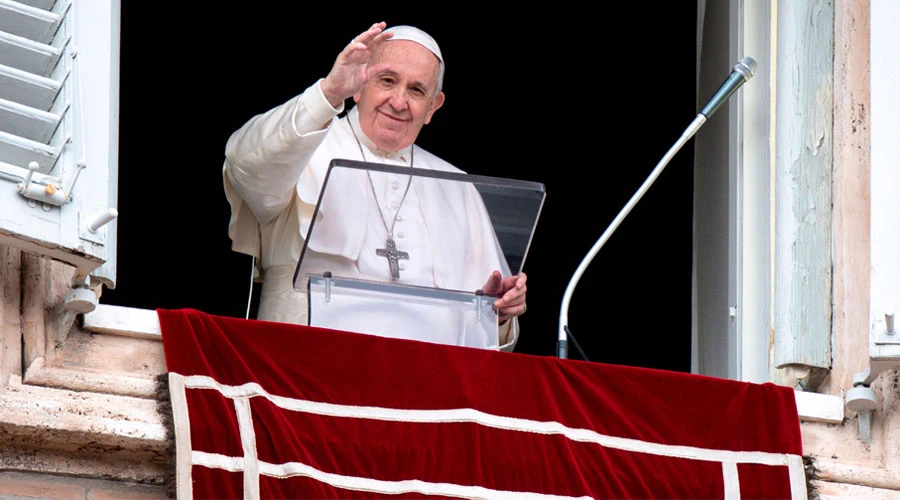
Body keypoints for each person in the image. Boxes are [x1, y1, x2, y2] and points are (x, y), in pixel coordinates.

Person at [222, 21, 527, 351]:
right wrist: (327, 94)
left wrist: (498, 315)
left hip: (421, 386)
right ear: (360, 84)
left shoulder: (459, 189)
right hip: (302, 370)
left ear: (432, 107)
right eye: (387, 81)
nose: (398, 101)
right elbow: (244, 164)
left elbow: (488, 335)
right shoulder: (303, 146)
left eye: (416, 90)